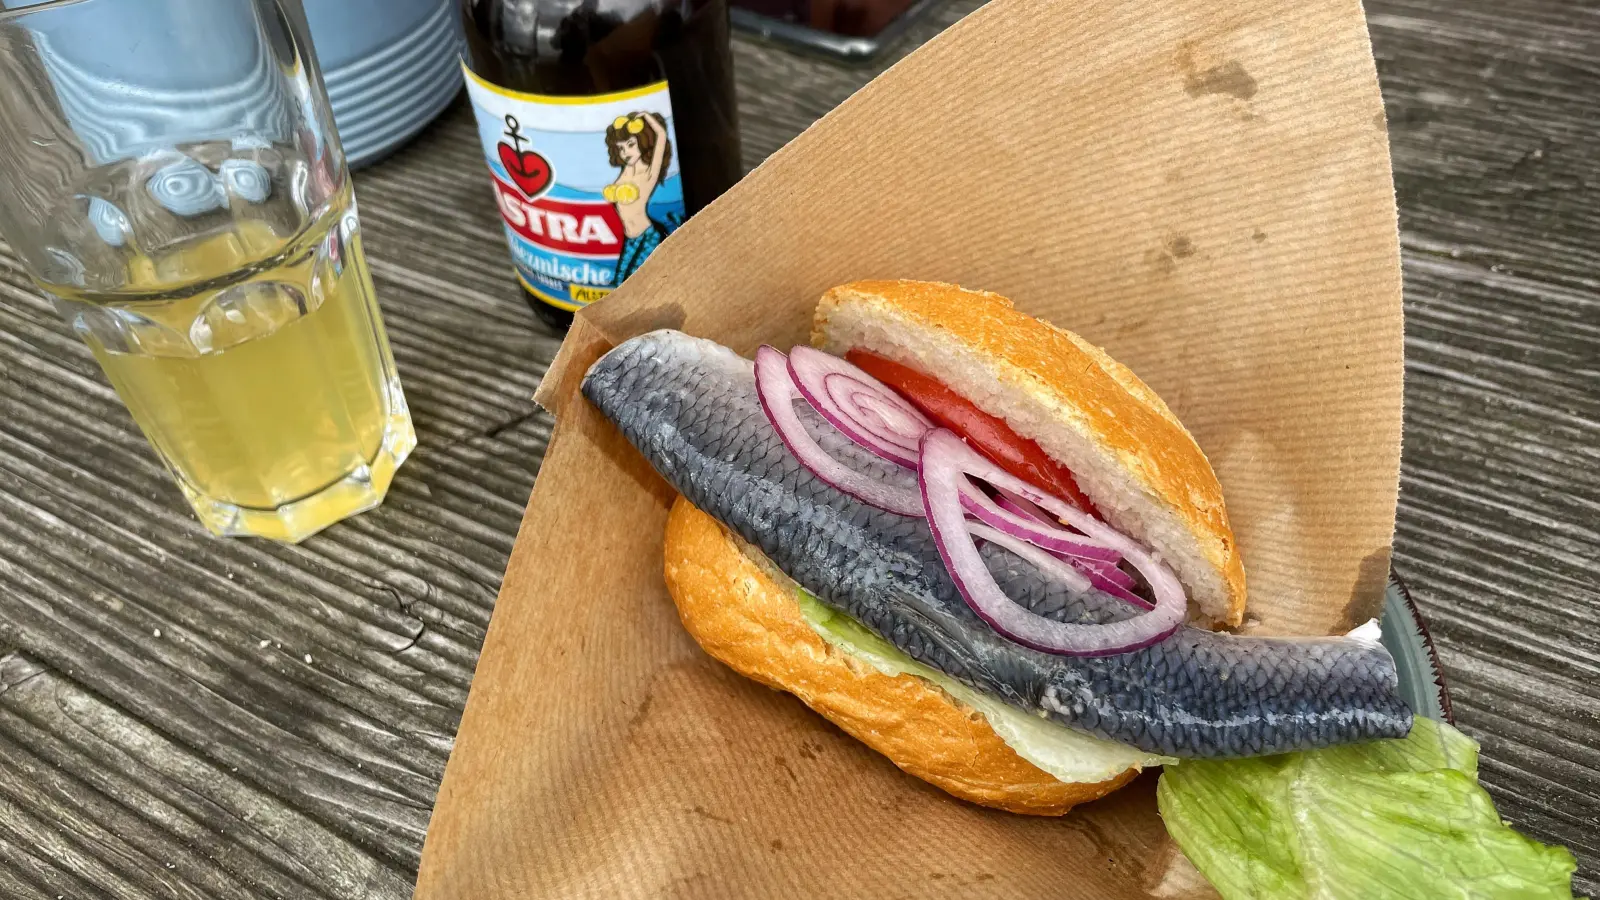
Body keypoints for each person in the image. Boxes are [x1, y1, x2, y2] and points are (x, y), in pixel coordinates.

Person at [603, 112, 678, 283]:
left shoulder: (649, 173)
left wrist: (646, 117)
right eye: (621, 148)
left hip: (648, 236)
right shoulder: (627, 170)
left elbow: (661, 135)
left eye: (630, 145)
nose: (625, 152)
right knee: (620, 283)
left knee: (640, 284)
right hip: (630, 238)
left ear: (642, 143)